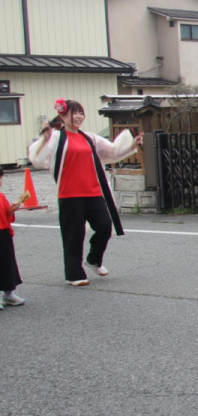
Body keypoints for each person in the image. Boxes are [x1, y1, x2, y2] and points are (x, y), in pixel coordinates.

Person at [28, 99, 142, 286]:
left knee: (105, 227)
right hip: (69, 194)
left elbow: (112, 152)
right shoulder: (56, 138)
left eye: (81, 113)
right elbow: (38, 160)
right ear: (63, 115)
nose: (79, 116)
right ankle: (74, 275)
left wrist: (131, 144)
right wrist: (46, 139)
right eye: (74, 113)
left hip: (93, 192)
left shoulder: (89, 138)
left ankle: (94, 259)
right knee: (74, 235)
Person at [0, 167, 29, 308]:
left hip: (4, 233)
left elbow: (7, 216)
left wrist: (11, 210)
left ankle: (9, 294)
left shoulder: (1, 197)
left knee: (8, 263)